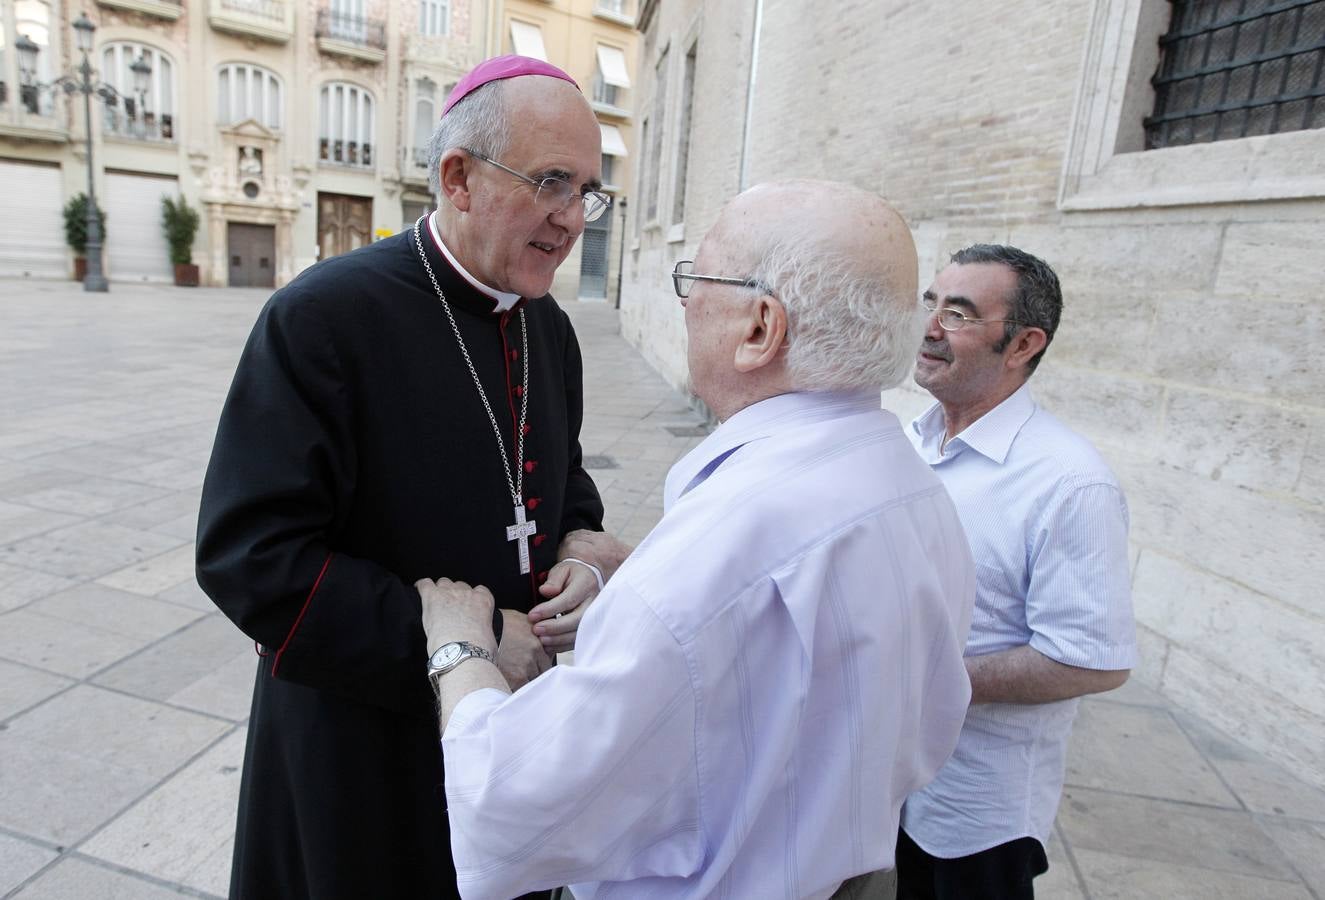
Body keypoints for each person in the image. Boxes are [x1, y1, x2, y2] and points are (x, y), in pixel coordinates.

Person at [416, 180, 977, 900]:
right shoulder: (913, 486)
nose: (685, 302)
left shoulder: (713, 560)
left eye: (698, 278)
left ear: (759, 329)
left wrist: (458, 647)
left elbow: (509, 802)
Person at [196, 56, 626, 900]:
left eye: (586, 190)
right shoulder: (323, 317)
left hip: (506, 724)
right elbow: (252, 558)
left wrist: (580, 548)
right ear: (459, 179)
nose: (571, 218)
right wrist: (457, 644)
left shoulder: (549, 329)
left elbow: (557, 479)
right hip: (359, 740)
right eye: (549, 183)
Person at [896, 245, 1138, 900]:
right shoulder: (908, 439)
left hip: (976, 812)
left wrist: (925, 681)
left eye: (958, 313)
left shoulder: (1069, 482)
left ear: (1023, 343)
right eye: (930, 303)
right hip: (888, 778)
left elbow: (1091, 660)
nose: (928, 328)